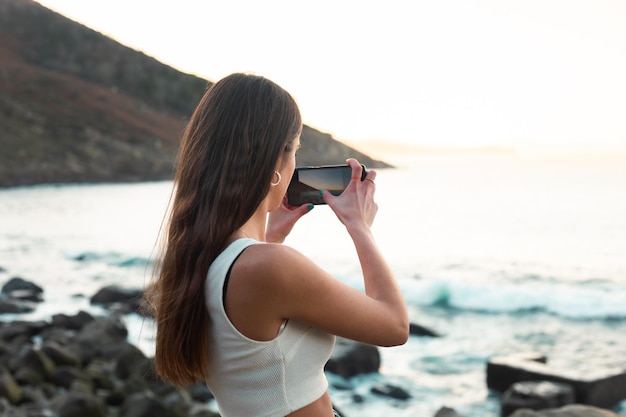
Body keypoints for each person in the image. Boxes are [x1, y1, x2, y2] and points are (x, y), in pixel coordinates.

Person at [148, 73, 409, 417]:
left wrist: (272, 235)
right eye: (295, 150)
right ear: (276, 162)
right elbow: (394, 325)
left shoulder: (199, 258)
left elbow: (254, 347)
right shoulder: (267, 267)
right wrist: (360, 227)